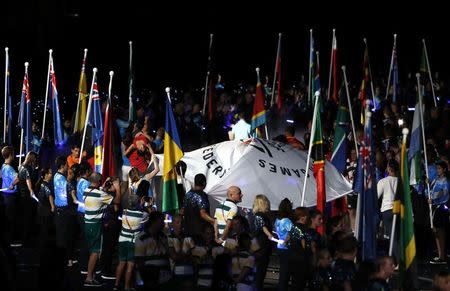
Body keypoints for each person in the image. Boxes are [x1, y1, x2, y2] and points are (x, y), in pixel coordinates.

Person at [83, 173, 121, 287]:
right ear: (99, 181)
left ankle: (92, 276)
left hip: (87, 223)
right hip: (95, 225)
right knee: (95, 252)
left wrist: (104, 185)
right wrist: (118, 188)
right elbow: (117, 201)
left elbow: (99, 191)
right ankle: (89, 278)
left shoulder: (86, 190)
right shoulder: (100, 194)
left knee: (92, 251)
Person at [114, 194, 152, 291]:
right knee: (130, 265)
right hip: (133, 241)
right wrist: (147, 206)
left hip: (122, 239)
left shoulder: (124, 212)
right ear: (138, 202)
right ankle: (127, 287)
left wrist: (140, 204)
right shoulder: (142, 215)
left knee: (121, 263)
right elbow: (151, 217)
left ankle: (116, 284)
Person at [135, 211, 171, 289]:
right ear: (154, 222)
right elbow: (139, 261)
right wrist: (146, 280)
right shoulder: (142, 238)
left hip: (164, 279)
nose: (163, 224)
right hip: (149, 280)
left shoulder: (163, 236)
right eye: (161, 221)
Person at [429, 160, 449, 264]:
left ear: (444, 169)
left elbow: (443, 192)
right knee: (436, 232)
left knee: (440, 232)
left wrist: (433, 199)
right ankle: (440, 254)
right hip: (434, 208)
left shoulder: (445, 181)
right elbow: (431, 189)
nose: (438, 170)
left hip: (441, 209)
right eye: (437, 168)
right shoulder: (436, 179)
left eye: (440, 168)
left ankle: (442, 256)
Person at [182, 173, 215, 238]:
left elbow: (183, 211)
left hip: (187, 231)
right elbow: (203, 214)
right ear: (204, 183)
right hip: (200, 232)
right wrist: (214, 221)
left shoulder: (187, 194)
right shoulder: (201, 195)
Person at [251, 195, 273, 291]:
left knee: (261, 269)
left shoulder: (261, 215)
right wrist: (269, 235)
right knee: (260, 269)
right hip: (261, 244)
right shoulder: (259, 216)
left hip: (262, 244)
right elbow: (263, 227)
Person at [17, 151, 38, 246]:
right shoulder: (27, 168)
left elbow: (18, 178)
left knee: (24, 217)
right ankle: (27, 240)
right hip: (27, 195)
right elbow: (28, 180)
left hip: (21, 195)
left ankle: (24, 238)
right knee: (28, 217)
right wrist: (31, 190)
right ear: (32, 158)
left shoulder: (21, 166)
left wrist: (12, 184)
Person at [1, 146, 19, 245]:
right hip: (10, 196)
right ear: (11, 155)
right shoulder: (9, 168)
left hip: (5, 195)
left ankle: (7, 240)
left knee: (8, 218)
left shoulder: (3, 166)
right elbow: (18, 178)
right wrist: (12, 184)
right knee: (11, 219)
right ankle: (10, 241)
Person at [274, 198, 293, 291]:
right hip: (286, 247)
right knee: (286, 273)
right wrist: (286, 240)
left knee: (283, 271)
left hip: (279, 246)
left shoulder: (277, 220)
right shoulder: (287, 221)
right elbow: (291, 232)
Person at [377, 160, 398, 239]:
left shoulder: (382, 181)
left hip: (387, 211)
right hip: (398, 210)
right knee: (397, 236)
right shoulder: (401, 181)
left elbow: (376, 196)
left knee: (392, 237)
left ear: (388, 168)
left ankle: (395, 251)